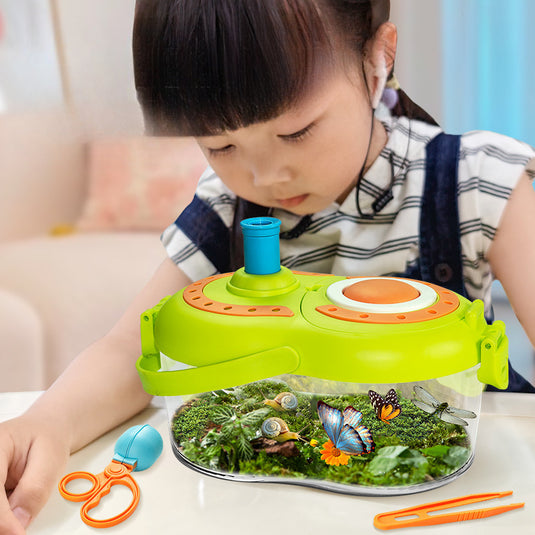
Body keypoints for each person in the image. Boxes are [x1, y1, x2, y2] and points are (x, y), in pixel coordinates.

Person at [2, 0, 535, 532]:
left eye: (296, 131)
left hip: (454, 492)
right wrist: (47, 423)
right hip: (275, 498)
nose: (264, 175)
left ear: (378, 61)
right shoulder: (225, 207)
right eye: (221, 144)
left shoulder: (475, 180)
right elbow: (132, 348)